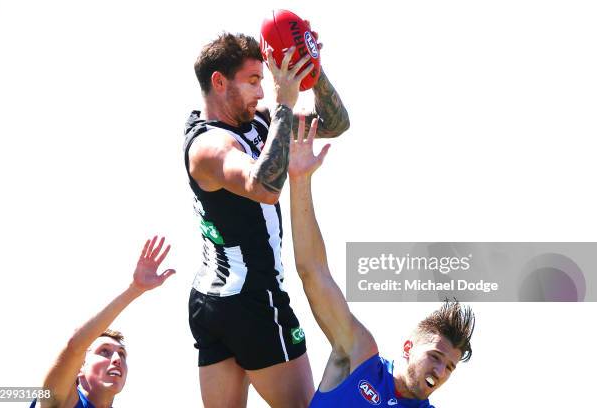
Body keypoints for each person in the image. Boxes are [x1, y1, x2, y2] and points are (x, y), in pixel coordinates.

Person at [183, 31, 349, 408]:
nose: (263, 92)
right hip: (254, 300)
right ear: (219, 82)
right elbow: (264, 186)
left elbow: (336, 124)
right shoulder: (208, 146)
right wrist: (286, 105)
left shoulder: (259, 123)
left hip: (214, 301)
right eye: (253, 81)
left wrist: (313, 69)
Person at [288, 116, 476, 407]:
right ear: (409, 347)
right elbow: (313, 273)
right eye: (435, 357)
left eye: (449, 368)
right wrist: (300, 179)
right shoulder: (359, 356)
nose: (439, 372)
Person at [31, 236, 175, 408]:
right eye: (104, 352)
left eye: (122, 354)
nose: (117, 359)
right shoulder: (59, 401)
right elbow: (74, 347)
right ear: (79, 368)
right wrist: (135, 290)